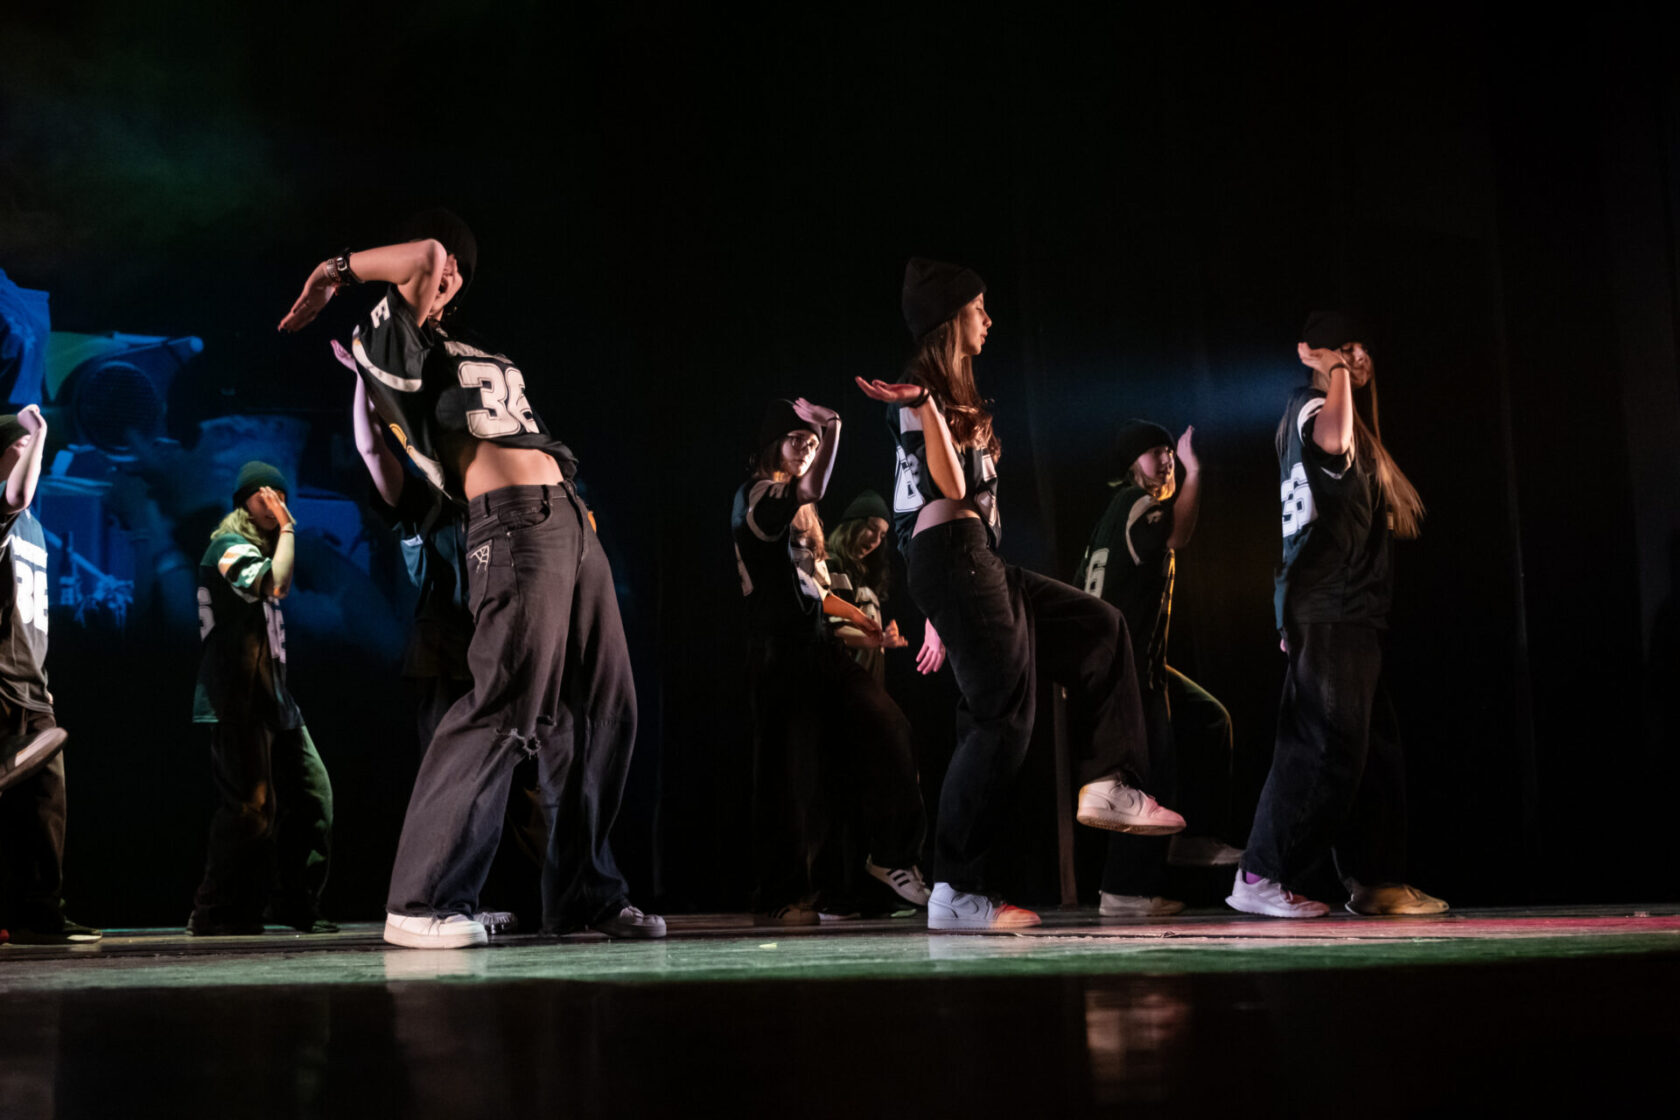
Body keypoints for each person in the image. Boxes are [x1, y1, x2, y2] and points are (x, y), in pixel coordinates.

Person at [280, 210, 661, 947]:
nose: (447, 268)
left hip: (568, 520)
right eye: (442, 261)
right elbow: (423, 259)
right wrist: (333, 274)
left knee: (602, 708)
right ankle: (422, 901)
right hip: (512, 522)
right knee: (506, 704)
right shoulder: (387, 333)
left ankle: (586, 893)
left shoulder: (463, 345)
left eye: (461, 266)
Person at [856, 258, 1183, 931]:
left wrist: (945, 610)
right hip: (954, 557)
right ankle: (955, 888)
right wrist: (925, 408)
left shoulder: (956, 398)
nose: (989, 319)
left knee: (1100, 627)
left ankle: (1109, 781)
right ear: (951, 316)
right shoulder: (919, 394)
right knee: (1002, 716)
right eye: (979, 308)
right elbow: (947, 490)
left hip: (972, 562)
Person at [1228, 311, 1446, 918]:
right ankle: (1260, 872)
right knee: (1325, 746)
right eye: (1346, 348)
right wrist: (1335, 370)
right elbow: (1332, 445)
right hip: (1331, 607)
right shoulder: (1311, 405)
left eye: (1363, 350)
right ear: (1313, 352)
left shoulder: (1350, 420)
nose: (1359, 359)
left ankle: (1376, 880)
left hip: (1352, 611)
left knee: (1375, 755)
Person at [342, 347, 534, 935]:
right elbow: (372, 450)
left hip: (502, 651)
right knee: (453, 780)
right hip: (445, 655)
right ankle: (443, 902)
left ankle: (494, 897)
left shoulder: (496, 491)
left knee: (512, 781)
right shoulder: (426, 500)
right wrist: (365, 382)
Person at [732, 400, 929, 924]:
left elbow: (816, 590)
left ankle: (886, 861)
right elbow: (812, 488)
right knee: (790, 777)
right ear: (773, 443)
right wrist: (833, 428)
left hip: (819, 647)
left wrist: (863, 621)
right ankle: (782, 896)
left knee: (886, 728)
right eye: (798, 440)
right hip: (778, 651)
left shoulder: (804, 515)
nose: (807, 449)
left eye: (813, 443)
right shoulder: (757, 495)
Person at [1076, 420, 1239, 918]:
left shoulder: (1113, 516)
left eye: (1169, 452)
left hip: (1132, 664)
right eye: (1155, 453)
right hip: (1127, 669)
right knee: (1145, 777)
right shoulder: (1136, 503)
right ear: (1132, 465)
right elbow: (1178, 534)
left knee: (1208, 720)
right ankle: (1123, 892)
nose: (1167, 460)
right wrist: (1195, 473)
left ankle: (1192, 838)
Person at [189, 461, 334, 936]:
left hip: (275, 699)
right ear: (243, 503)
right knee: (249, 809)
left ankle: (294, 902)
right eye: (263, 496)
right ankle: (215, 909)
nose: (274, 503)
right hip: (238, 698)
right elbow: (276, 584)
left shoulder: (262, 549)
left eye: (281, 496)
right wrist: (289, 526)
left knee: (313, 797)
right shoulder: (227, 546)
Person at [0, 406, 100, 944]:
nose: (33, 455)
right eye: (21, 448)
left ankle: (40, 914)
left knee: (44, 808)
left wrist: (42, 676)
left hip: (33, 686)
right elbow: (16, 495)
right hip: (0, 684)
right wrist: (36, 430)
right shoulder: (6, 509)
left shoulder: (35, 529)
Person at [824, 489, 910, 686]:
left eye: (882, 535)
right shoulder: (830, 565)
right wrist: (877, 638)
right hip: (843, 684)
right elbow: (830, 628)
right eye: (872, 528)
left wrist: (885, 637)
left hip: (866, 684)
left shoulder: (865, 577)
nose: (875, 540)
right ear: (853, 524)